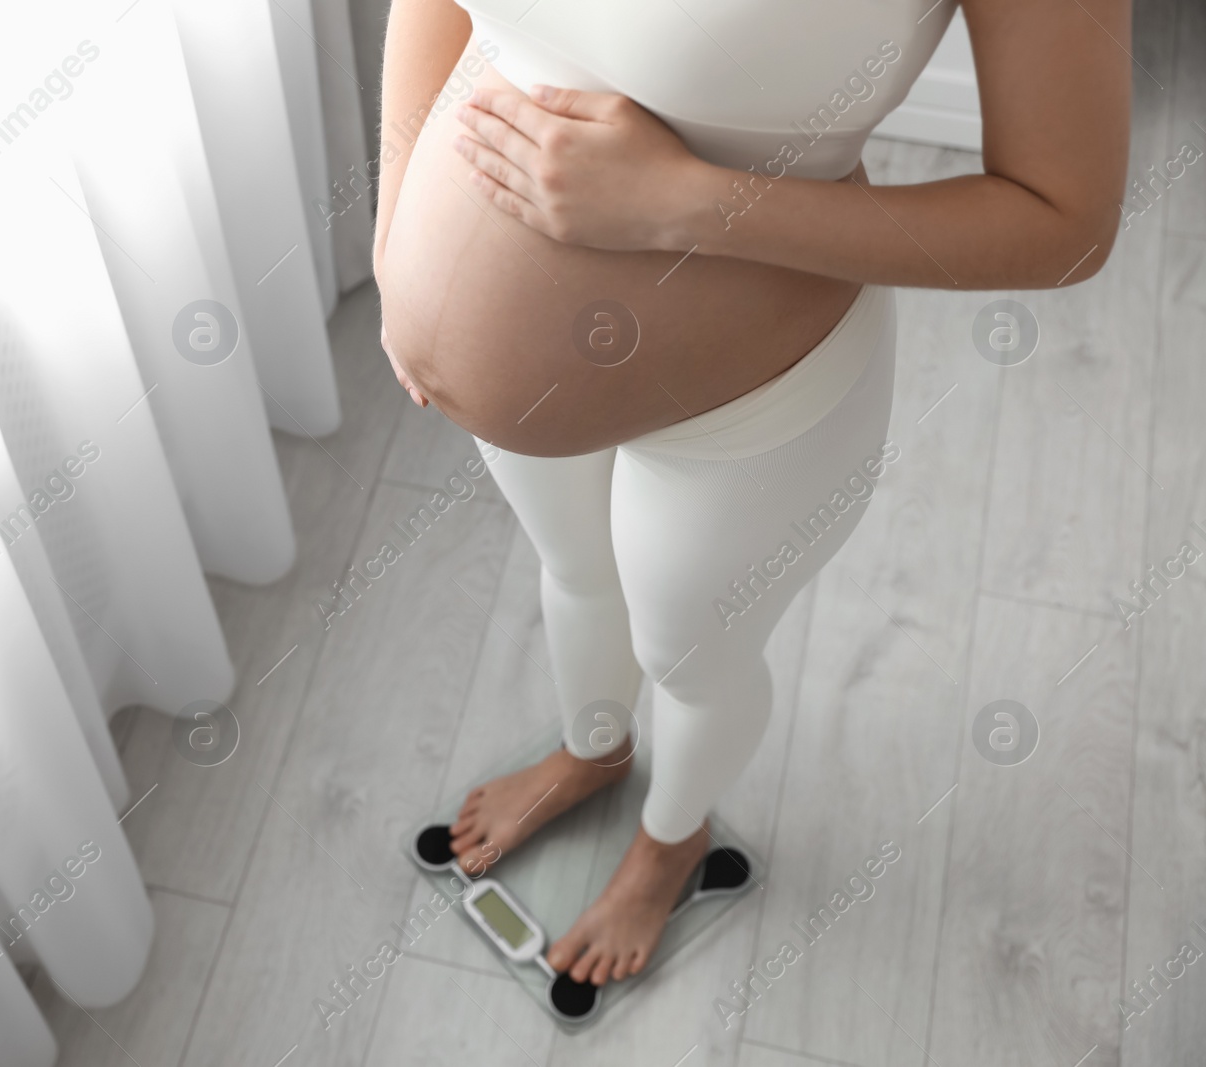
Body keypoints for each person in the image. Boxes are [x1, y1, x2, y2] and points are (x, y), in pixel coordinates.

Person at [371, 0, 1128, 989]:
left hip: (748, 398)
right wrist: (395, 237)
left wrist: (685, 204)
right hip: (505, 384)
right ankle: (591, 751)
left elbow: (1061, 222)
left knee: (686, 659)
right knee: (575, 572)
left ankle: (670, 841)